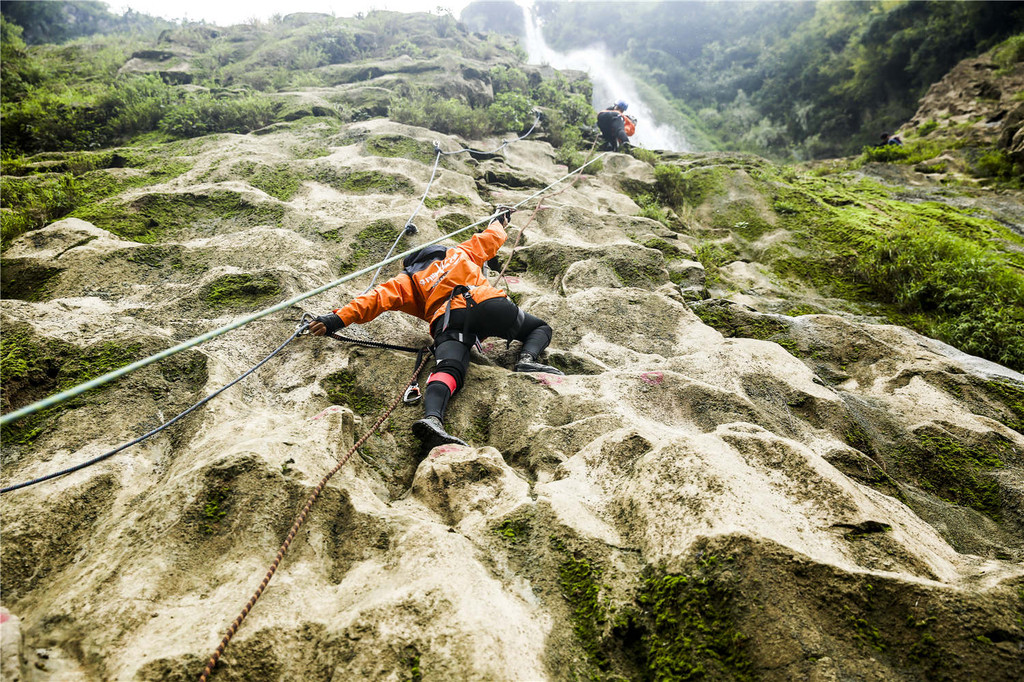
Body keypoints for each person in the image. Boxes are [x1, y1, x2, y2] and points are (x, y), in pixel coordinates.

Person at [307, 209, 563, 451]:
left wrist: (334, 320)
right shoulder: (461, 252)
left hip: (448, 319)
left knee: (449, 368)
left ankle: (433, 419)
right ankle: (527, 360)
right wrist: (501, 218)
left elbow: (374, 300)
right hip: (485, 302)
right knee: (539, 328)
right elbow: (493, 236)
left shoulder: (406, 280)